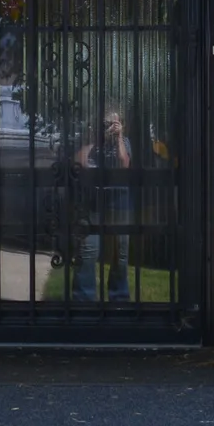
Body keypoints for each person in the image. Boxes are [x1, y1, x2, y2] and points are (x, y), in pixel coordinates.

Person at [73, 103, 132, 302]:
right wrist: (95, 140)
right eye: (106, 123)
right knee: (88, 251)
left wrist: (118, 139)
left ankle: (119, 298)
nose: (109, 126)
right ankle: (83, 299)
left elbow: (124, 164)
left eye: (113, 123)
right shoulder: (90, 144)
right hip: (93, 203)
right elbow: (79, 164)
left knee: (120, 254)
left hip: (119, 203)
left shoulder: (124, 141)